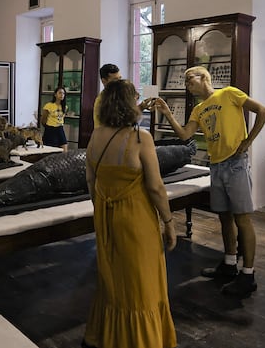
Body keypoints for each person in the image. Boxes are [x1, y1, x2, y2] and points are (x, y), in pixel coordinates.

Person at [153, 65, 265, 297]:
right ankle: (228, 264)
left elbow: (263, 111)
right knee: (224, 217)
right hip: (216, 166)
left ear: (204, 77)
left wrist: (248, 142)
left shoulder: (229, 93)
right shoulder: (198, 109)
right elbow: (185, 135)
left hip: (235, 164)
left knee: (242, 218)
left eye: (189, 79)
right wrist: (166, 113)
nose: (187, 84)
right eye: (184, 81)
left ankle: (248, 274)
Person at [82, 79, 176, 348]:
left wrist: (102, 206)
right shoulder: (139, 138)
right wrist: (168, 222)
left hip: (105, 215)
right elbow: (156, 187)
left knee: (112, 279)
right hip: (136, 218)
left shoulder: (96, 136)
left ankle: (108, 335)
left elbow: (91, 180)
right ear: (128, 104)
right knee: (141, 281)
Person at [93, 64, 122, 128]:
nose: (120, 82)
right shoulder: (102, 101)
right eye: (115, 80)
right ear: (104, 81)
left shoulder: (118, 95)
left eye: (120, 78)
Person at [41, 86, 68, 152]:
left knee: (64, 148)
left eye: (63, 93)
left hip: (60, 128)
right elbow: (43, 119)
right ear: (55, 94)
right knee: (50, 149)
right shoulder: (49, 105)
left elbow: (62, 118)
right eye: (60, 93)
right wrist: (48, 126)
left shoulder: (65, 107)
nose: (62, 95)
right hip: (50, 129)